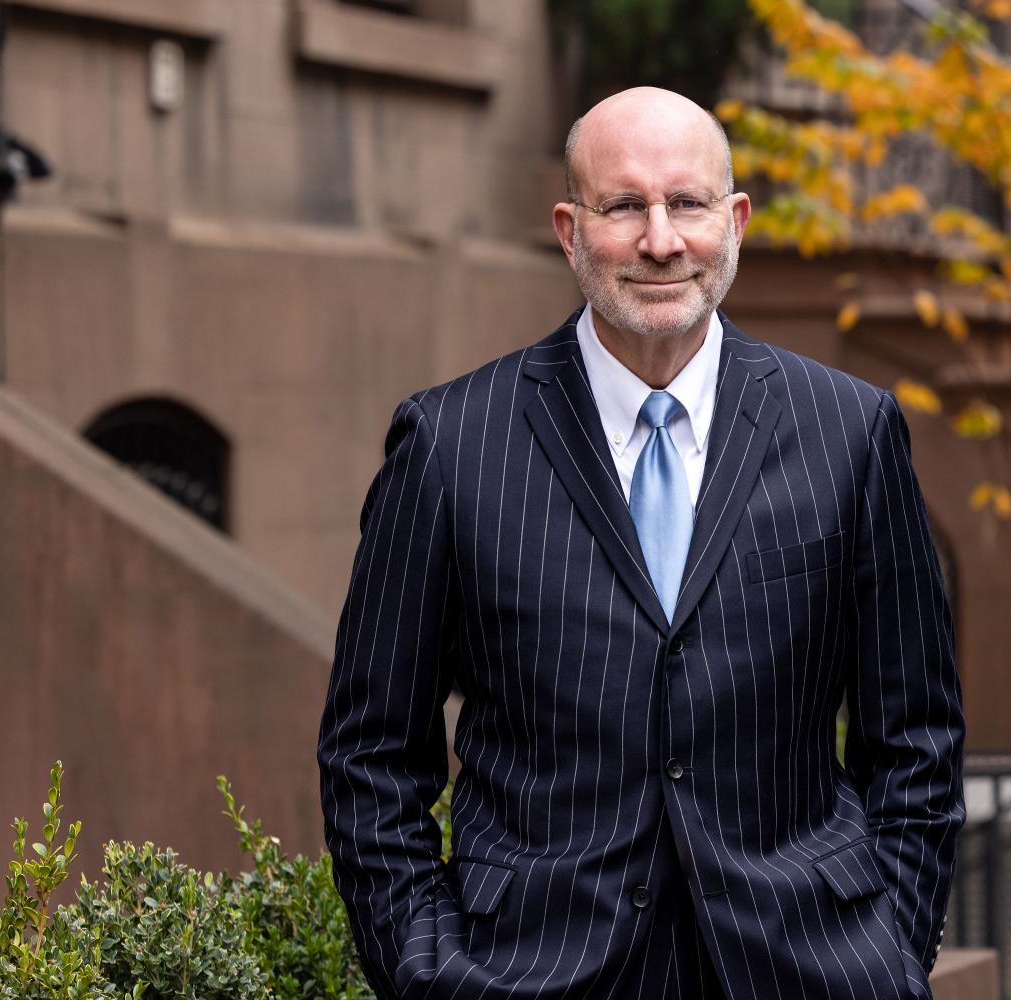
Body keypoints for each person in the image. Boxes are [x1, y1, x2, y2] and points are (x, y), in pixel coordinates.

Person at [317, 86, 965, 1000]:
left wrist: (891, 948)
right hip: (530, 974)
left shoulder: (850, 434)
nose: (661, 240)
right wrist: (425, 971)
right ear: (570, 229)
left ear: (734, 220)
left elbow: (917, 740)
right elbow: (370, 754)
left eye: (687, 203)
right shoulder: (450, 446)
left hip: (807, 971)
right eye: (624, 206)